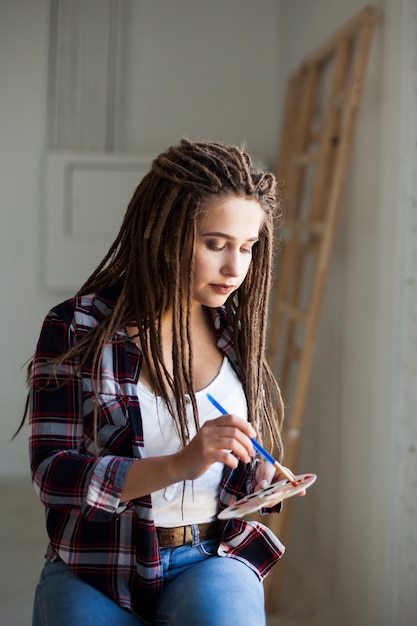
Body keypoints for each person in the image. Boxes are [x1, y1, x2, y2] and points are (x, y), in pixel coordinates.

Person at [18, 138, 292, 626]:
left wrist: (257, 477)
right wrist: (180, 463)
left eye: (247, 248)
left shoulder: (231, 329)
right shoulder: (76, 327)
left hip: (208, 556)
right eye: (216, 244)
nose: (236, 268)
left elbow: (221, 466)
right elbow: (54, 474)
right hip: (94, 565)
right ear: (163, 232)